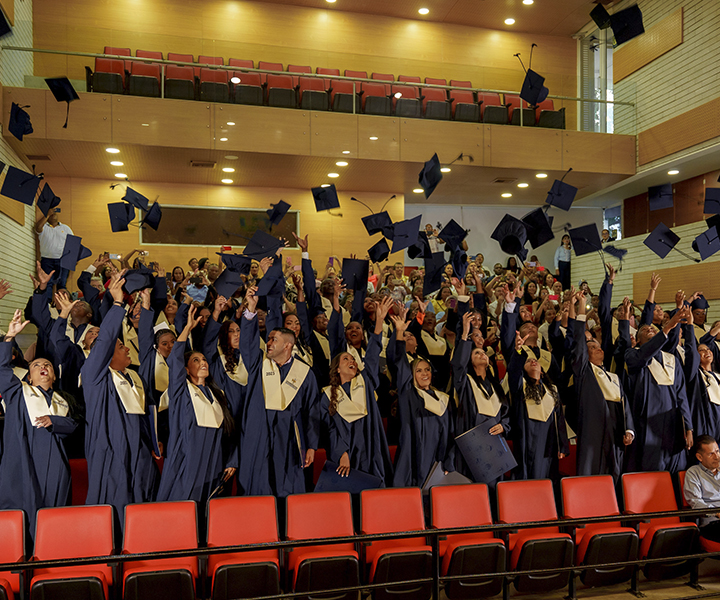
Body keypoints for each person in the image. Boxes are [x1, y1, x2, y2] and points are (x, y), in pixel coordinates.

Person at [80, 272, 159, 524]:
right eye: (119, 346)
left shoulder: (134, 378)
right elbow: (103, 343)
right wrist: (117, 305)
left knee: (143, 506)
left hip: (140, 453)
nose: (126, 347)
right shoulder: (95, 378)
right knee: (114, 509)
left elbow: (147, 348)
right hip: (111, 450)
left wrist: (145, 307)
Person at [0, 309, 78, 536]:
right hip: (23, 462)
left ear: (54, 376)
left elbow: (74, 425)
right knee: (22, 514)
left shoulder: (64, 400)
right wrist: (8, 338)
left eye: (48, 366)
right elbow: (1, 370)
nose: (43, 367)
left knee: (54, 515)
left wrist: (54, 421)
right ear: (28, 376)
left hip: (56, 465)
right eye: (36, 365)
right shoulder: (17, 392)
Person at [238, 286, 320, 497]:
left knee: (287, 485)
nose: (269, 343)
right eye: (269, 339)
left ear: (288, 346)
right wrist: (250, 311)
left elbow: (312, 411)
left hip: (290, 436)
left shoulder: (305, 373)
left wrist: (311, 445)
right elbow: (247, 345)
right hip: (260, 431)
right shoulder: (260, 365)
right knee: (259, 481)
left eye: (274, 340)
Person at [156, 306, 237, 505]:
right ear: (186, 369)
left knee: (208, 507)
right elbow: (174, 362)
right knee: (183, 506)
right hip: (187, 459)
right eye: (195, 360)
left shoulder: (218, 395)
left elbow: (229, 433)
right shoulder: (181, 392)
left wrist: (231, 460)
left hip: (214, 461)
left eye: (203, 359)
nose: (203, 363)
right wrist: (186, 330)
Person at [322, 296, 394, 485]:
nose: (351, 361)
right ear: (337, 368)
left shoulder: (365, 381)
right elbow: (330, 429)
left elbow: (372, 353)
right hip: (346, 451)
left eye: (353, 360)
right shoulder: (328, 394)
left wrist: (379, 321)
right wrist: (341, 453)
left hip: (370, 445)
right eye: (346, 359)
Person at [569, 289, 634, 481]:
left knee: (613, 469)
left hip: (615, 428)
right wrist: (581, 306)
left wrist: (628, 429)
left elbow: (625, 405)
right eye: (592, 347)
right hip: (594, 425)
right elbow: (578, 341)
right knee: (591, 469)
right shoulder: (583, 371)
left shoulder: (614, 376)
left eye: (598, 346)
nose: (598, 349)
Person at [624, 307, 693, 473]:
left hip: (674, 424)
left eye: (652, 328)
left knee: (677, 471)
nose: (649, 328)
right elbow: (644, 356)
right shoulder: (632, 355)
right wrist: (668, 327)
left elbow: (682, 395)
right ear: (638, 340)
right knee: (652, 471)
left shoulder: (672, 359)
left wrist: (688, 427)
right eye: (644, 329)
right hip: (647, 424)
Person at [391, 312, 455, 487]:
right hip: (414, 457)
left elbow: (449, 434)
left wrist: (448, 459)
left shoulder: (442, 399)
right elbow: (400, 362)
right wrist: (399, 333)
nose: (424, 373)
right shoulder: (409, 394)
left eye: (427, 369)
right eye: (418, 370)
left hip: (438, 457)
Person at [452, 313, 510, 484]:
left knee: (494, 489)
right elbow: (458, 366)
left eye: (484, 352)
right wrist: (464, 334)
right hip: (472, 444)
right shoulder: (465, 382)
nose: (482, 354)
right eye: (476, 352)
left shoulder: (495, 387)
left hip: (495, 444)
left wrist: (504, 426)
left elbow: (506, 413)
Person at [508, 328, 569, 480]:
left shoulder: (552, 390)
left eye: (535, 361)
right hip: (525, 435)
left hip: (547, 439)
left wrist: (562, 444)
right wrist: (518, 351)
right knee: (526, 473)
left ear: (542, 371)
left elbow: (559, 419)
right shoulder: (520, 386)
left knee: (547, 473)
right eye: (528, 362)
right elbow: (514, 372)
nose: (533, 361)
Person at [684, 435, 720, 541]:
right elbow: (696, 502)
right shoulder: (693, 473)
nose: (717, 457)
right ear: (700, 457)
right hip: (711, 522)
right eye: (711, 454)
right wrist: (717, 512)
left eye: (717, 451)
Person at [35, 207, 74, 301]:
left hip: (64, 260)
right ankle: (47, 305)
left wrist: (73, 259)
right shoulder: (44, 226)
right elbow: (38, 228)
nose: (53, 214)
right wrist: (47, 214)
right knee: (47, 283)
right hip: (47, 259)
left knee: (62, 283)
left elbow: (73, 244)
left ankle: (62, 305)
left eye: (55, 213)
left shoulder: (66, 228)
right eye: (51, 213)